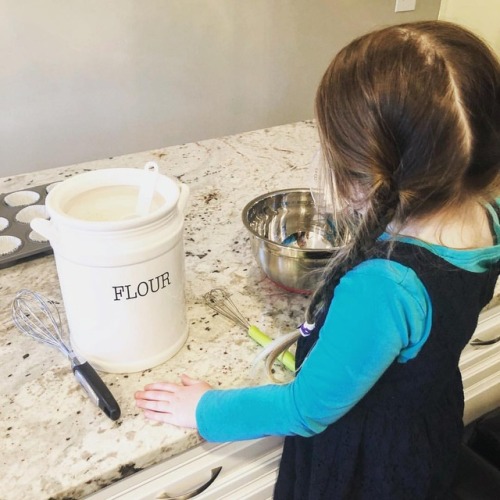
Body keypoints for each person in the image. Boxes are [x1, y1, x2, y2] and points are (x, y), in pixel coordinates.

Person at [135, 20, 500, 499]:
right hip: (425, 426)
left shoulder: (383, 287)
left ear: (369, 181)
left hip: (363, 464)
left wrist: (204, 409)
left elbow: (304, 410)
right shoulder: (487, 215)